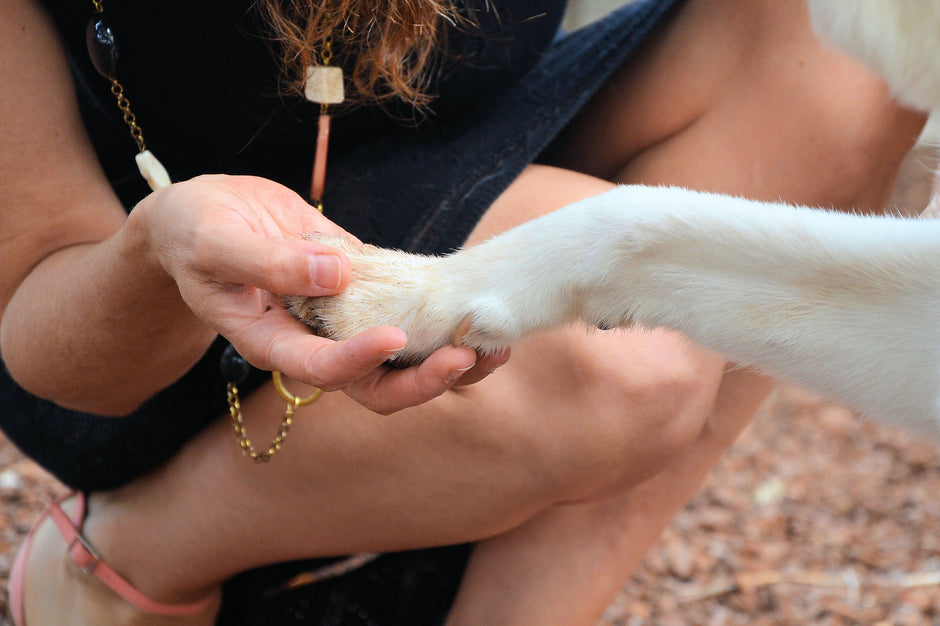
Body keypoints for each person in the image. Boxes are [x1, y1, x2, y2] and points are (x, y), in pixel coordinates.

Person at [0, 0, 927, 624]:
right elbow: (58, 348)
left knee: (850, 46)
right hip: (132, 303)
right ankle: (131, 557)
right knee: (620, 367)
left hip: (449, 147)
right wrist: (160, 247)